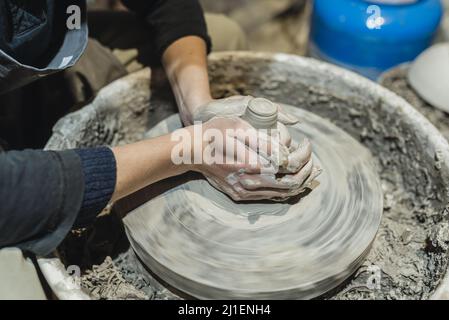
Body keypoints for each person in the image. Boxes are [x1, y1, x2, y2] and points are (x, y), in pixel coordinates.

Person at [0, 0, 316, 299]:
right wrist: (189, 149)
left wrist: (199, 108)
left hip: (33, 59)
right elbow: (10, 194)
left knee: (224, 34)